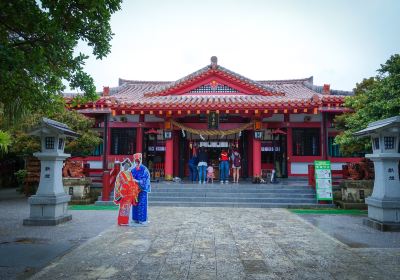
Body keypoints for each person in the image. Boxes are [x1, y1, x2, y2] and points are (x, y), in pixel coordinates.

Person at [113, 159, 140, 226]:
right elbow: (117, 183)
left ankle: (125, 221)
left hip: (130, 193)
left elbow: (132, 182)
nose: (126, 167)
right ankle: (121, 221)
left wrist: (135, 188)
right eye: (125, 165)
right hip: (123, 193)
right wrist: (118, 192)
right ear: (123, 166)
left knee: (127, 208)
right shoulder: (120, 174)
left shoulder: (130, 173)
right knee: (123, 207)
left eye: (128, 165)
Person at [130, 153, 151, 225]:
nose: (137, 162)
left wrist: (138, 181)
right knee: (135, 204)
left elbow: (145, 180)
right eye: (136, 161)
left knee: (142, 203)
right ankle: (135, 218)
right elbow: (130, 179)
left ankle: (142, 219)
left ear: (140, 160)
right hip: (134, 190)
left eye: (138, 161)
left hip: (142, 189)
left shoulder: (144, 169)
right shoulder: (132, 170)